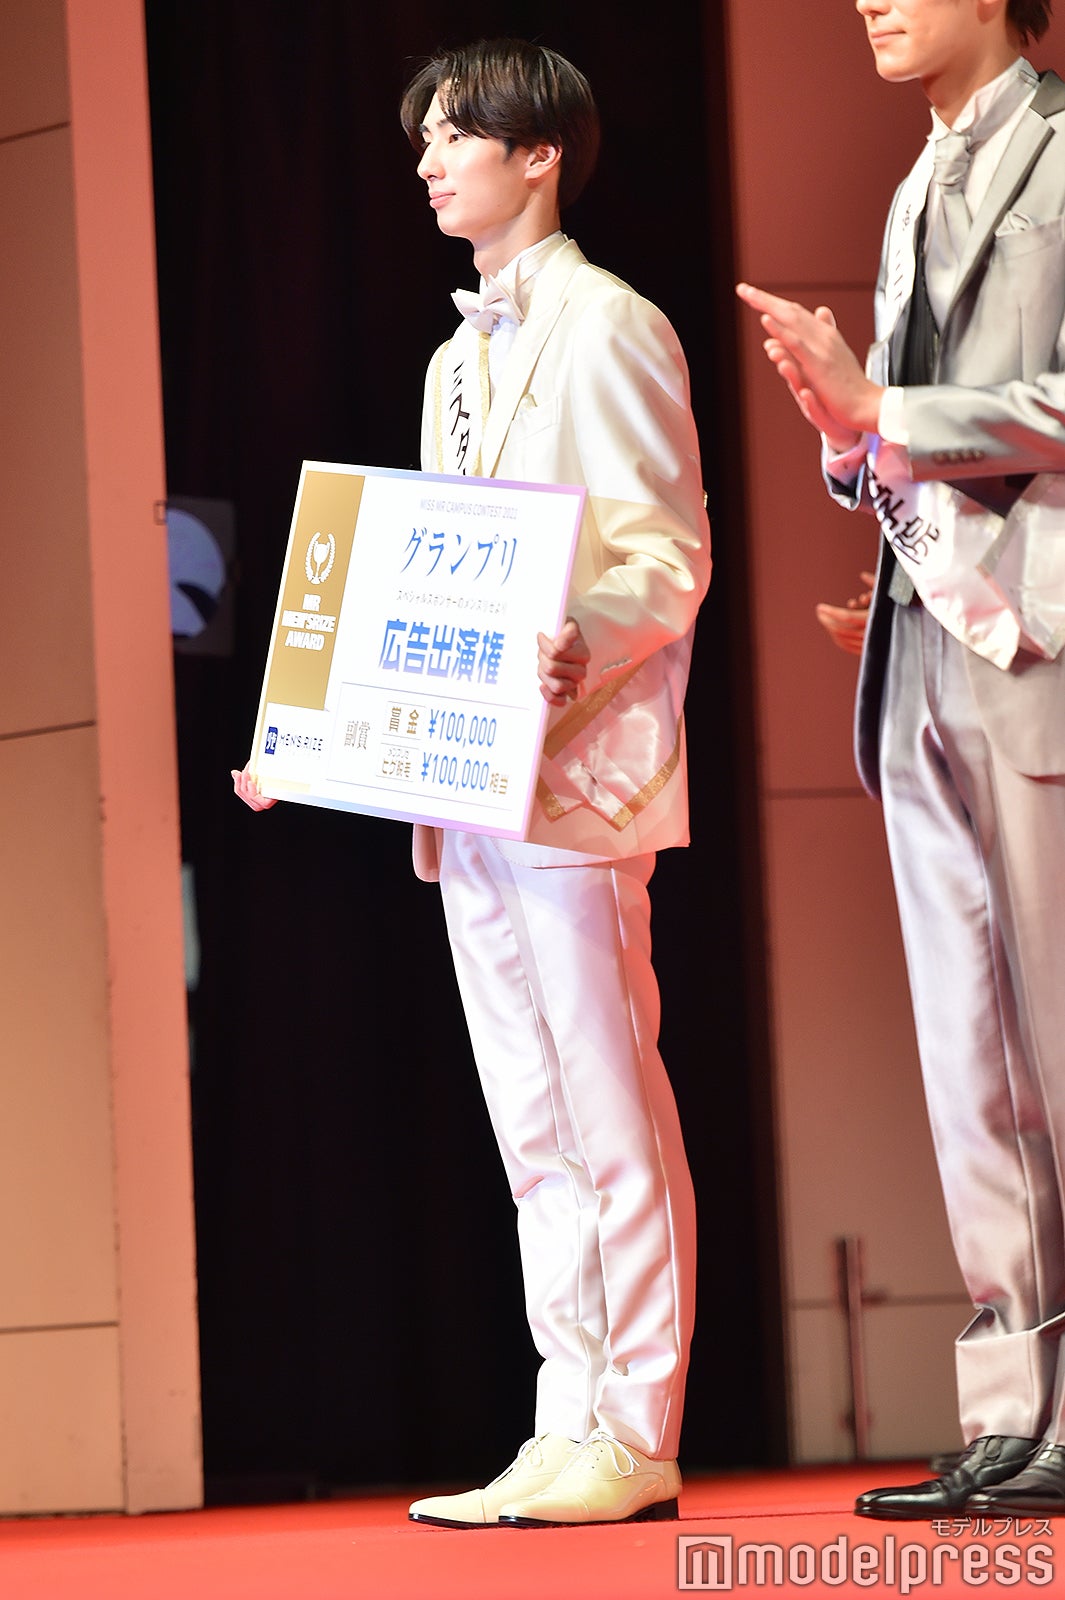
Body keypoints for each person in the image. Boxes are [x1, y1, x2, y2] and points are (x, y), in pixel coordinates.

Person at [235, 36, 710, 1527]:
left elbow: (668, 554)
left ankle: (636, 1428)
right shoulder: (453, 361)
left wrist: (586, 638)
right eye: (426, 138)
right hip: (471, 786)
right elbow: (420, 582)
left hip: (581, 776)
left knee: (607, 1101)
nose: (429, 161)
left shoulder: (614, 324)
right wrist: (317, 733)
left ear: (538, 154)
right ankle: (564, 1415)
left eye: (455, 135)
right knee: (531, 1124)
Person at [737, 0, 1065, 1520]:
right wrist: (841, 427)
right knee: (967, 1052)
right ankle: (1016, 1406)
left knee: (1054, 1034)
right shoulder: (911, 183)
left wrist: (886, 408)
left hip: (1039, 646)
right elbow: (892, 435)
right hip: (921, 639)